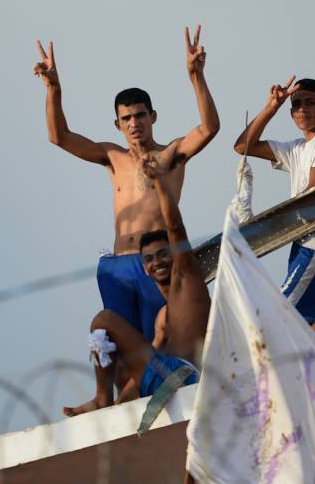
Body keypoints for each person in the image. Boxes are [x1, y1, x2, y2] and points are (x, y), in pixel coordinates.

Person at [32, 28, 218, 349]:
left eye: (140, 115)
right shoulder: (112, 156)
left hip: (158, 262)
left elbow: (208, 128)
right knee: (117, 346)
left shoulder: (171, 154)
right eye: (127, 118)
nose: (134, 123)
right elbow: (59, 136)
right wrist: (53, 88)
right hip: (119, 264)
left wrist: (196, 76)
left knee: (165, 340)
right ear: (118, 124)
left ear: (153, 116)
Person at [62, 152, 210, 416]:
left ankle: (101, 398)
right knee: (116, 355)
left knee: (105, 320)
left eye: (164, 254)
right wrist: (120, 410)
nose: (158, 262)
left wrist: (160, 183)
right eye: (150, 259)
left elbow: (175, 227)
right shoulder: (163, 317)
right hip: (164, 378)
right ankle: (110, 404)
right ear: (144, 268)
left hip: (184, 376)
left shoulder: (187, 279)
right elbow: (146, 366)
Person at [233, 76, 315, 345]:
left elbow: (313, 191)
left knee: (279, 314)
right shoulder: (296, 148)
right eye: (296, 105)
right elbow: (242, 146)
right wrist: (271, 107)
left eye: (310, 103)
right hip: (305, 243)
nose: (302, 109)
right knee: (313, 324)